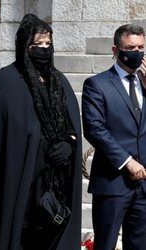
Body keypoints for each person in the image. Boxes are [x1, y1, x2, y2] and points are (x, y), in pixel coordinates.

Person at [0, 13, 82, 250]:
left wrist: (69, 142)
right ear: (24, 45)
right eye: (37, 45)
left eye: (48, 44)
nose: (44, 49)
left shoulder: (58, 80)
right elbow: (8, 134)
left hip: (56, 184)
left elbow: (71, 125)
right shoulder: (8, 80)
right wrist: (40, 146)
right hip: (23, 183)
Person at [82, 24, 146, 250]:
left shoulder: (144, 84)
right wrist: (127, 162)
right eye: (130, 47)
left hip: (143, 185)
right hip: (112, 182)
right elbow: (95, 129)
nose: (137, 52)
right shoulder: (97, 85)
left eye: (141, 47)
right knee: (106, 244)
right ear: (116, 50)